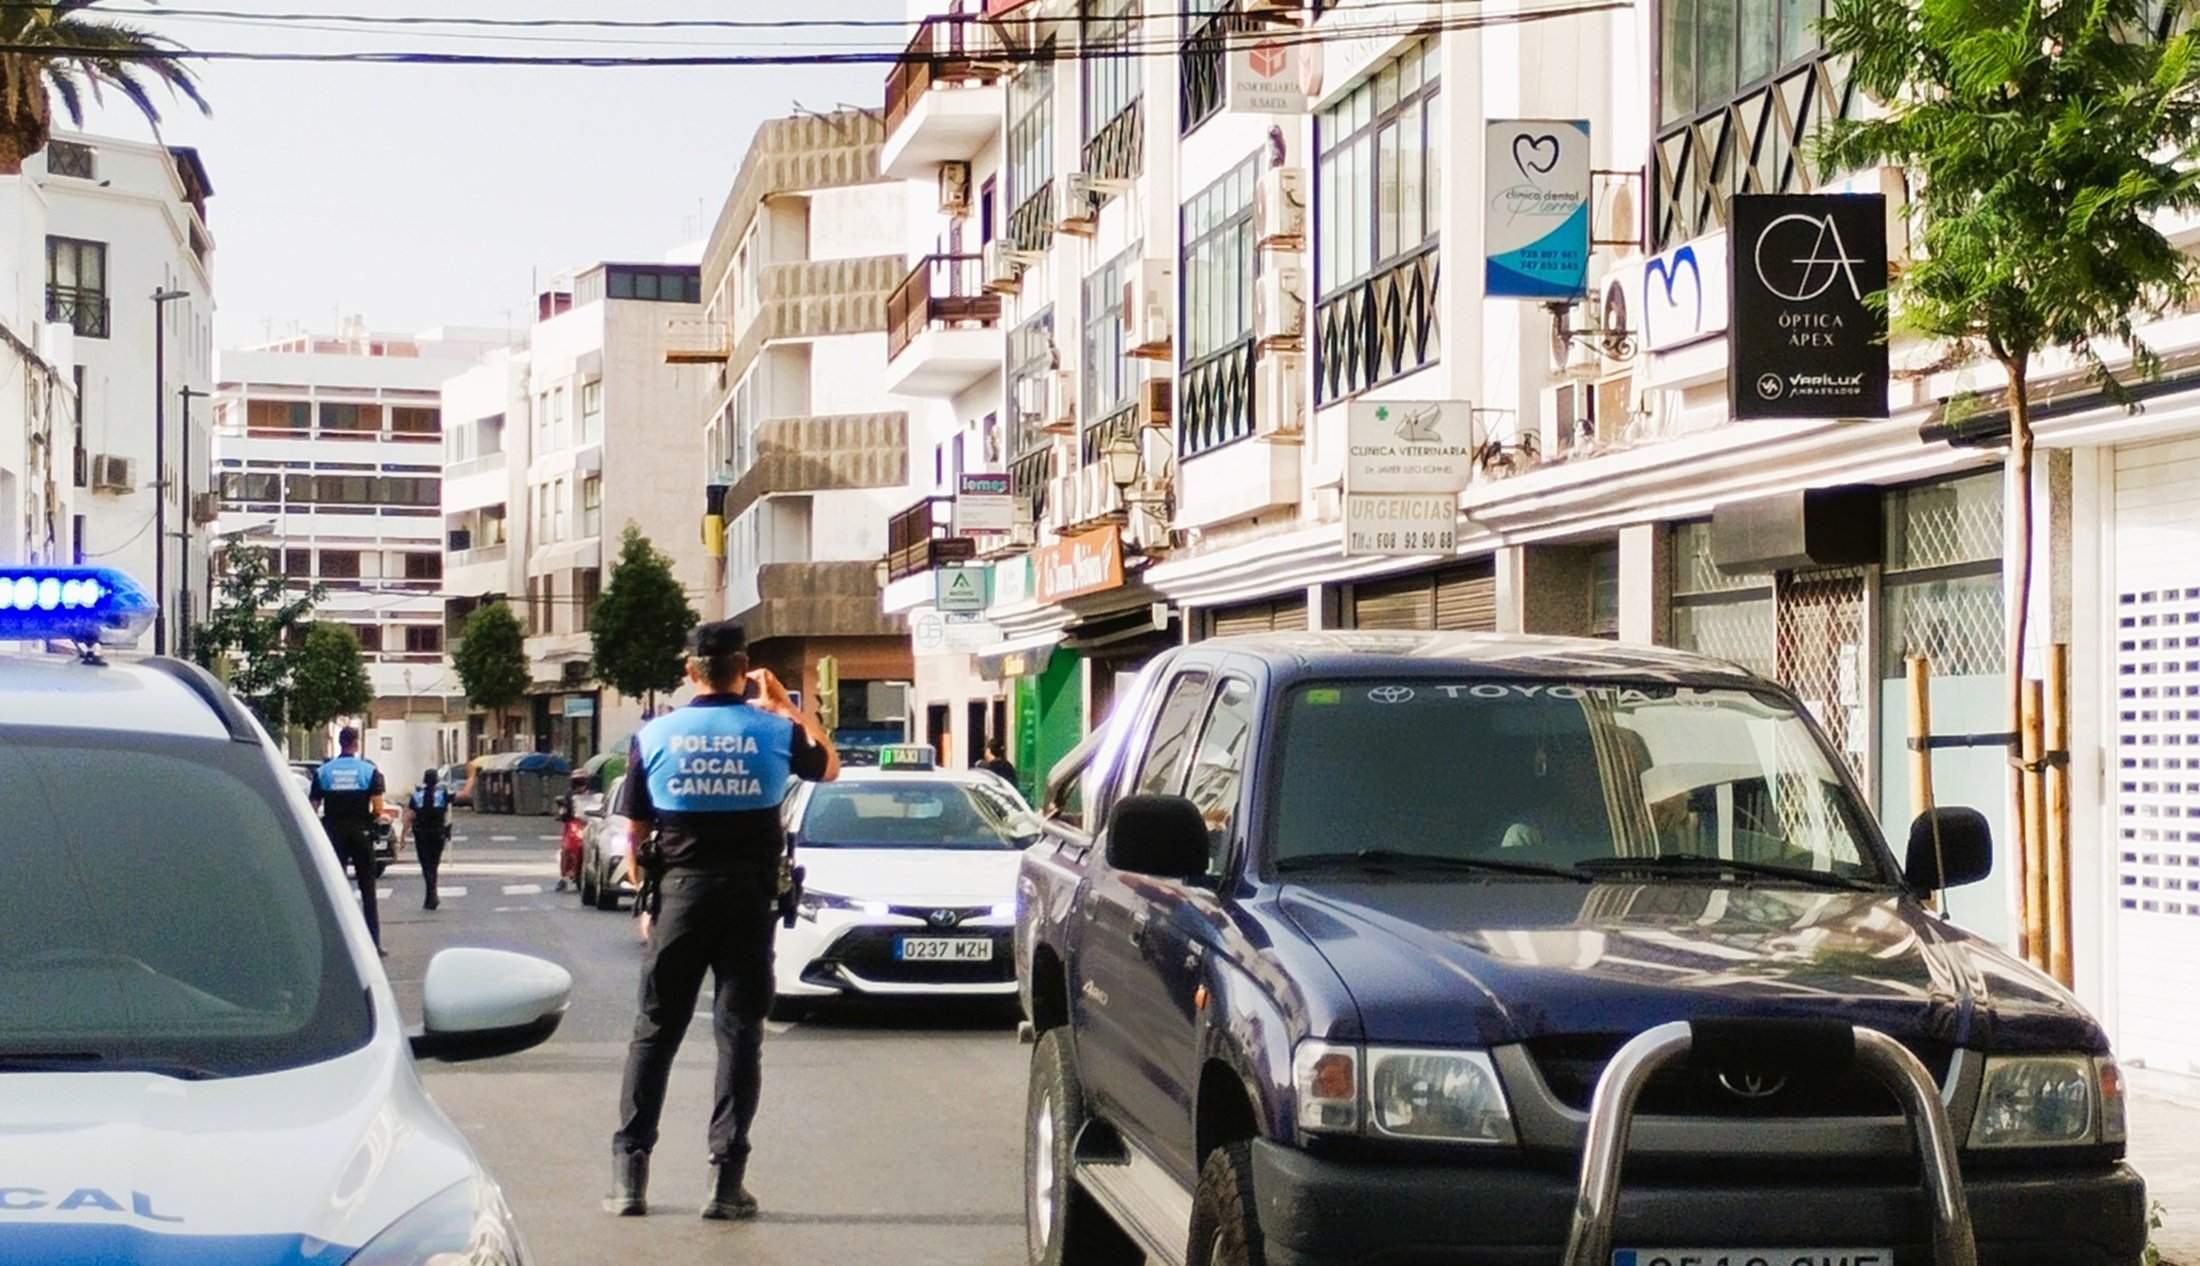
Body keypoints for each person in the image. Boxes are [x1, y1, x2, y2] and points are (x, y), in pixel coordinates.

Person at [607, 622, 838, 1222]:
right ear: (745, 669)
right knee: (738, 1036)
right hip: (748, 900)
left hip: (680, 896)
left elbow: (634, 831)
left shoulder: (655, 734)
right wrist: (789, 706)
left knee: (654, 1032)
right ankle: (725, 1183)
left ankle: (630, 1179)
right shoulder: (774, 730)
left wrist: (645, 898)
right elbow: (829, 767)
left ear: (690, 673)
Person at [310, 726, 387, 955]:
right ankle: (374, 943)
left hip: (334, 832)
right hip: (360, 832)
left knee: (335, 888)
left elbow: (313, 806)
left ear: (340, 743)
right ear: (356, 743)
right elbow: (378, 807)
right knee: (368, 889)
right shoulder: (369, 771)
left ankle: (336, 944)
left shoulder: (324, 772)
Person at [404, 768, 453, 911]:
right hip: (438, 833)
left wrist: (403, 835)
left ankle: (431, 894)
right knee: (434, 864)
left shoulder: (417, 796)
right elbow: (460, 797)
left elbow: (410, 815)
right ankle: (432, 894)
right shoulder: (442, 795)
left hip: (422, 834)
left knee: (426, 865)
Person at [555, 796, 584, 893]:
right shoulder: (569, 795)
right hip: (573, 826)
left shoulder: (594, 796)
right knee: (567, 848)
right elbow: (563, 813)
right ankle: (563, 877)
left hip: (586, 824)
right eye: (577, 783)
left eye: (582, 782)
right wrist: (563, 813)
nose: (580, 786)